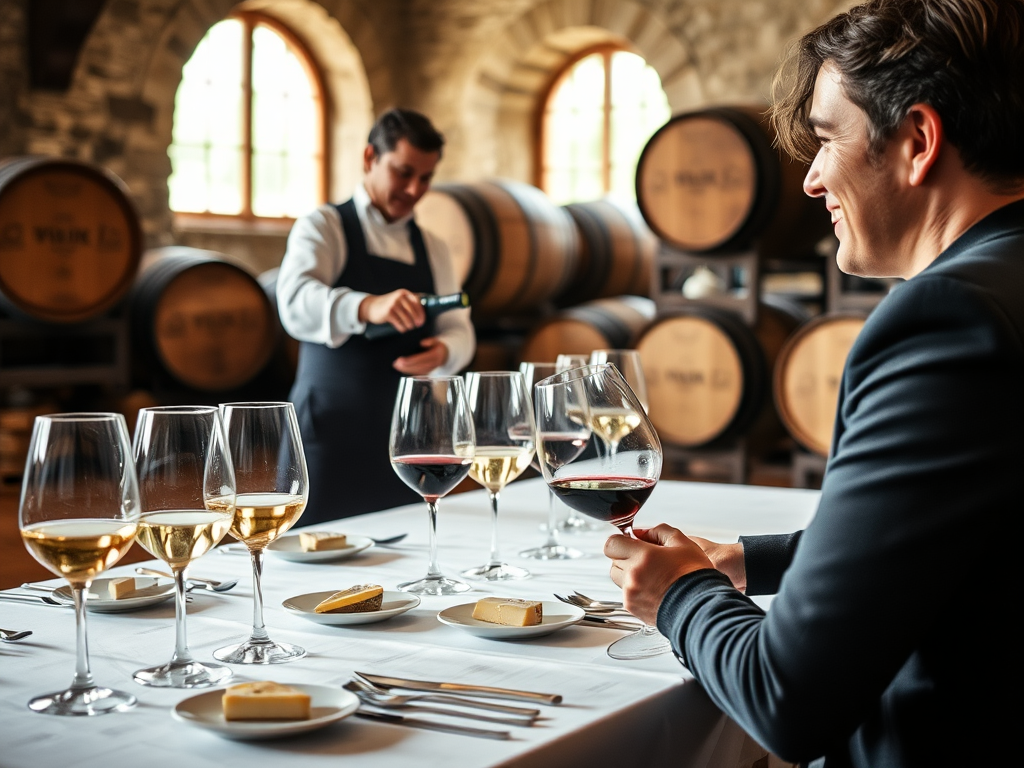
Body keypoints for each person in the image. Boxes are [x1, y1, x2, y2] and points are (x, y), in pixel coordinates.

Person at [604, 1, 1023, 766]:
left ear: (918, 143)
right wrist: (746, 562)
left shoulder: (945, 319)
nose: (811, 180)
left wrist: (679, 597)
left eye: (827, 140)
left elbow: (788, 700)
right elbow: (965, 538)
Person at [277, 108, 475, 524]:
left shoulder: (434, 247)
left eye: (425, 178)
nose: (414, 189)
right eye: (403, 172)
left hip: (408, 439)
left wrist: (444, 351)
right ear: (370, 158)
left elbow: (460, 328)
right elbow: (294, 302)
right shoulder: (324, 225)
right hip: (328, 434)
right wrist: (367, 306)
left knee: (404, 561)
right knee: (312, 561)